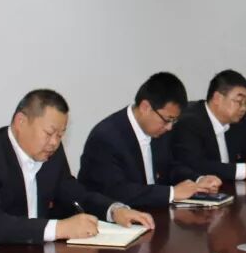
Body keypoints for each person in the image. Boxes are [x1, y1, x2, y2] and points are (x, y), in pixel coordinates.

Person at [0, 89, 153, 245]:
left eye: (60, 135)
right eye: (49, 133)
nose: (55, 143)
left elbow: (75, 194)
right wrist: (59, 228)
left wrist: (114, 210)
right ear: (21, 121)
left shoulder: (51, 153)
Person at [79, 72, 222, 207]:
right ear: (145, 107)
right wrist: (171, 193)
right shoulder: (105, 138)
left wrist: (198, 180)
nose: (169, 127)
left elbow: (169, 167)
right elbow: (117, 191)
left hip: (154, 212)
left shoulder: (158, 130)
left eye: (174, 121)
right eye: (167, 120)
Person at [171, 70, 246, 181]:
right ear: (217, 98)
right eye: (239, 101)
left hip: (229, 187)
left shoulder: (236, 120)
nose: (243, 108)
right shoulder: (189, 123)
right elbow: (197, 165)